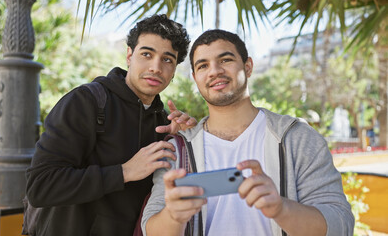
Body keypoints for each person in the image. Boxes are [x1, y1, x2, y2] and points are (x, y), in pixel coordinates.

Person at [141, 29, 354, 236]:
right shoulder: (178, 150)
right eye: (203, 65)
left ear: (248, 66)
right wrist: (174, 216)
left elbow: (340, 223)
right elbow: (150, 229)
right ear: (195, 78)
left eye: (225, 60)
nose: (215, 71)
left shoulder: (297, 138)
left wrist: (282, 209)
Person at [25, 14, 195, 236]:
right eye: (146, 54)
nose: (155, 67)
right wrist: (124, 172)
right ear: (129, 56)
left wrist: (182, 142)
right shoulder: (86, 102)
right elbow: (41, 186)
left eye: (167, 59)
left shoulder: (164, 122)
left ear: (173, 71)